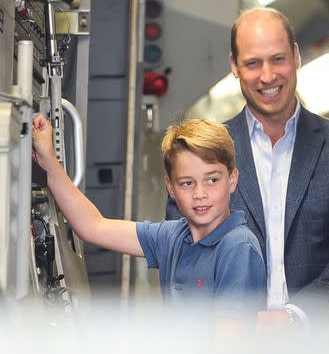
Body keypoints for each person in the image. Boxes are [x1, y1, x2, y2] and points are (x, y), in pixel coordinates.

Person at [166, 8, 329, 329]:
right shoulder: (199, 154)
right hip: (228, 347)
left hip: (319, 349)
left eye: (278, 59)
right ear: (234, 66)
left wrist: (295, 319)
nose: (268, 76)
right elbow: (184, 260)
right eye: (253, 63)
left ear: (296, 56)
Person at [32, 114, 266, 328]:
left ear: (232, 180)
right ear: (171, 188)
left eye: (212, 180)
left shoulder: (237, 247)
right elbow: (93, 226)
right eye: (187, 183)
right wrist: (48, 158)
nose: (200, 193)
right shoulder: (173, 236)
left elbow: (229, 353)